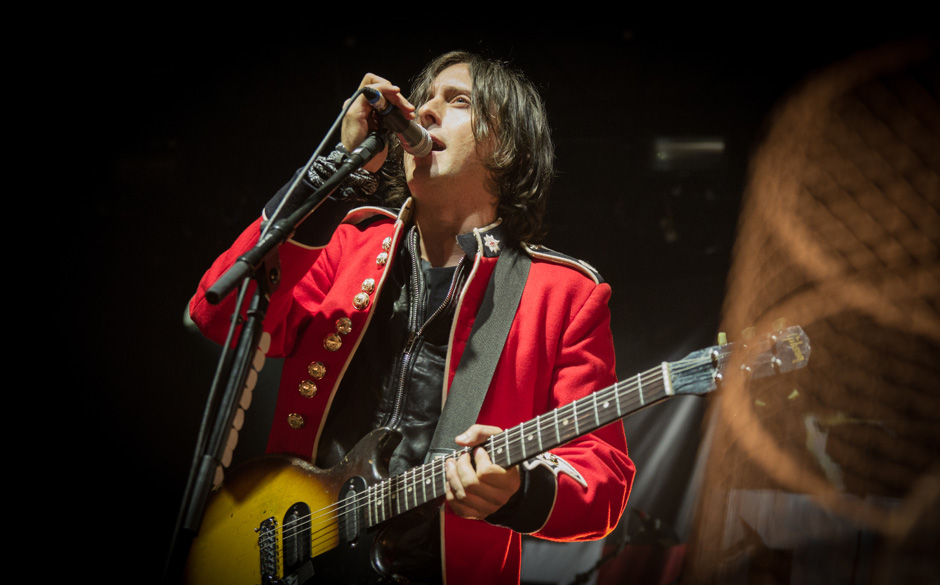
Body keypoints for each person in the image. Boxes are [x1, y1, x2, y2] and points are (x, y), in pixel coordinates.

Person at [190, 50, 634, 585]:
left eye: (458, 101)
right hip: (294, 560)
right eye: (424, 100)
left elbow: (602, 479)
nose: (423, 112)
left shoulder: (563, 295)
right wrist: (330, 178)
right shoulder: (347, 243)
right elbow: (215, 315)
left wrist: (520, 490)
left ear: (508, 146)